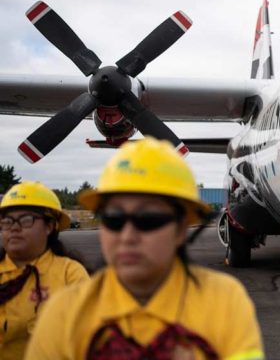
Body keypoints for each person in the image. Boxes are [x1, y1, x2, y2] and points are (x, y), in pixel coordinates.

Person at [26, 137, 265, 359]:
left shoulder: (225, 301)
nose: (128, 236)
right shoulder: (63, 313)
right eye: (113, 219)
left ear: (181, 228)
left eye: (149, 219)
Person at [0, 181, 89, 360]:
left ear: (49, 226)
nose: (14, 228)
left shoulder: (70, 273)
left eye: (26, 220)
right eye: (7, 221)